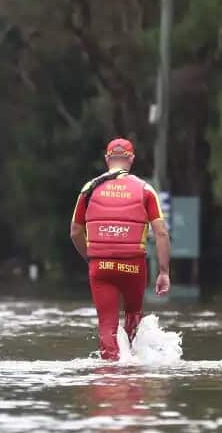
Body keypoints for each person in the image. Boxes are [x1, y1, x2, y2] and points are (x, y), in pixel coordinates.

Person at [70, 138, 170, 360]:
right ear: (131, 159)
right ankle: (133, 364)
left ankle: (110, 373)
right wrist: (164, 272)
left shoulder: (89, 188)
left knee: (107, 324)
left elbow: (75, 231)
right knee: (133, 315)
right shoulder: (145, 190)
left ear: (107, 159)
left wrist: (91, 259)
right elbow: (161, 232)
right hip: (134, 266)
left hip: (100, 266)